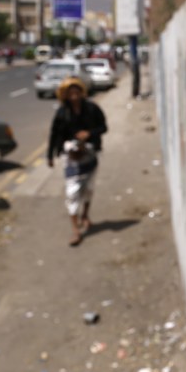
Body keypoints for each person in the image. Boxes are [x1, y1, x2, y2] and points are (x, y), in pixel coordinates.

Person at [48, 77, 108, 246]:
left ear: (82, 92)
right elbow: (54, 135)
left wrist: (89, 133)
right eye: (70, 92)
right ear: (65, 95)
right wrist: (50, 156)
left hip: (90, 156)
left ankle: (85, 215)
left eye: (76, 92)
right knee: (73, 192)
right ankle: (76, 230)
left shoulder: (92, 108)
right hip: (71, 160)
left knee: (88, 189)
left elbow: (104, 127)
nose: (74, 95)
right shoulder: (61, 113)